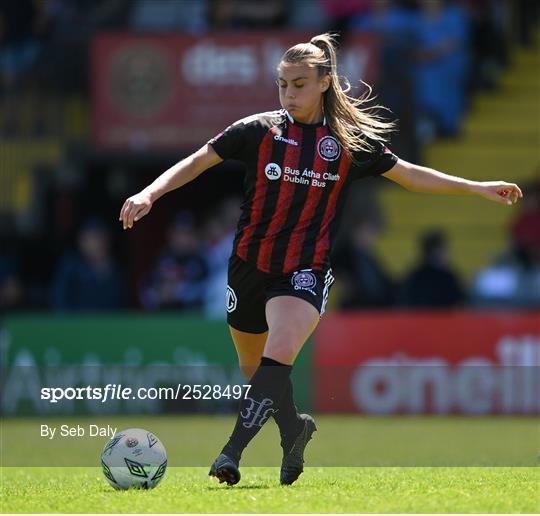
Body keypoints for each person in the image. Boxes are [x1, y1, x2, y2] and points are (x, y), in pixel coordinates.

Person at [119, 33, 522, 486]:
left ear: (325, 82)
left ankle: (231, 453)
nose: (288, 94)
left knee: (280, 352)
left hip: (305, 270)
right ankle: (294, 430)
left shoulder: (347, 142)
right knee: (257, 371)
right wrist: (149, 193)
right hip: (249, 267)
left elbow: (410, 176)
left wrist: (476, 187)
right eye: (282, 84)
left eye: (299, 84)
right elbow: (198, 160)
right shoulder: (258, 130)